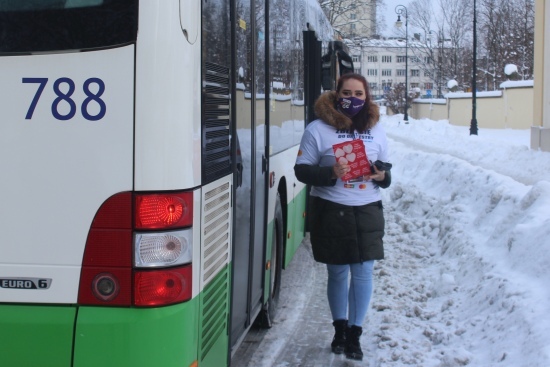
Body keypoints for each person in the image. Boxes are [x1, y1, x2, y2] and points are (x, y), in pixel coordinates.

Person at [294, 73, 391, 361]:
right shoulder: (317, 130)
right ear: (337, 95)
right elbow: (301, 170)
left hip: (367, 210)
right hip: (331, 211)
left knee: (363, 273)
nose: (353, 98)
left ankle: (355, 334)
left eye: (359, 94)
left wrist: (382, 175)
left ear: (367, 97)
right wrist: (330, 173)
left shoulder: (377, 129)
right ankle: (339, 329)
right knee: (337, 272)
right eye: (347, 92)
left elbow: (385, 171)